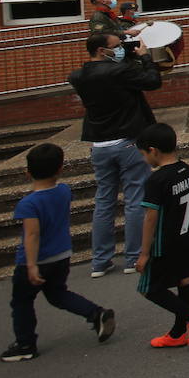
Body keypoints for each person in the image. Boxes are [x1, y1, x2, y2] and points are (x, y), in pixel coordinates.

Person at [2, 143, 116, 362]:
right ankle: (95, 313)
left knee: (22, 302)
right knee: (58, 294)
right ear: (60, 169)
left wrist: (32, 265)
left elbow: (32, 235)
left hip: (35, 260)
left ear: (27, 172)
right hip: (61, 254)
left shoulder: (28, 204)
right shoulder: (64, 191)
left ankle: (25, 343)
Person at [68, 32, 161, 278]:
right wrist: (144, 57)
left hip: (100, 145)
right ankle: (133, 257)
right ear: (101, 50)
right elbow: (152, 81)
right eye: (117, 46)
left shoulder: (77, 76)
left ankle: (100, 261)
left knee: (104, 202)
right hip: (127, 141)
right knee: (134, 200)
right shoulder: (117, 72)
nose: (121, 49)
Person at [132, 123, 189, 348]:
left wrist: (144, 252)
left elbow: (150, 218)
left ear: (153, 150)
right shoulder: (186, 170)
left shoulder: (156, 180)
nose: (145, 159)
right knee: (184, 278)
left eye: (144, 154)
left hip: (167, 242)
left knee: (149, 289)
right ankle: (178, 333)